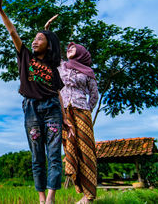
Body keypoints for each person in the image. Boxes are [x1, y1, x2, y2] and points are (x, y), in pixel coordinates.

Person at [0, 0, 64, 204]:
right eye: (34, 39)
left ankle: (51, 197)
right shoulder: (24, 56)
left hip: (52, 109)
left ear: (48, 44)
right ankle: (41, 198)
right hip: (32, 109)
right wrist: (1, 11)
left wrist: (66, 117)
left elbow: (59, 93)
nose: (34, 41)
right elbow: (13, 32)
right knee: (37, 156)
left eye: (39, 39)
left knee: (54, 154)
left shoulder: (53, 68)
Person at [58, 42, 99, 204]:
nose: (69, 49)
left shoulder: (88, 72)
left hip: (82, 113)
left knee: (86, 151)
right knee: (70, 148)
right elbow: (49, 52)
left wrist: (85, 109)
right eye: (68, 48)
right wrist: (47, 31)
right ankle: (80, 191)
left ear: (82, 52)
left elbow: (94, 95)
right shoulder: (61, 66)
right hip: (64, 114)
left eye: (73, 48)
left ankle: (89, 196)